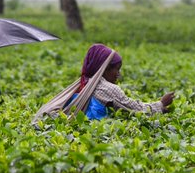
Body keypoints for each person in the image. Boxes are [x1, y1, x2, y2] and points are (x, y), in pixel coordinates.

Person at [37, 43, 174, 120]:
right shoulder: (107, 89)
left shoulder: (83, 82)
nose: (118, 75)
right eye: (116, 69)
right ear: (105, 69)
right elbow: (135, 109)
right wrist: (161, 104)